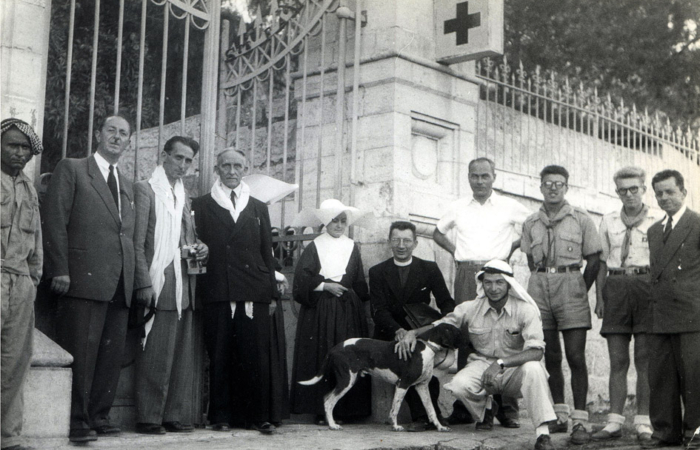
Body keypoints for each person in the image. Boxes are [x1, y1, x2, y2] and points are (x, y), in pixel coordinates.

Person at [42, 115, 136, 443]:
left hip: (118, 282)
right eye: (111, 130)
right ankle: (76, 420)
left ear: (129, 142)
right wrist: (60, 268)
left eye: (123, 133)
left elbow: (128, 236)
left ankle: (99, 415)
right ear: (98, 134)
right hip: (81, 278)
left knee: (109, 356)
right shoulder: (73, 168)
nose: (116, 137)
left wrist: (135, 282)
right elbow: (54, 219)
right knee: (80, 352)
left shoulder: (127, 184)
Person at [396, 260, 558, 450]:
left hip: (515, 368)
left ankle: (543, 434)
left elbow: (536, 352)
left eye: (499, 282)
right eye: (488, 282)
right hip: (482, 364)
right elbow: (442, 324)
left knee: (534, 368)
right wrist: (413, 333)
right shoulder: (471, 307)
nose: (493, 288)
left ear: (508, 284)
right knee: (458, 385)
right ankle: (487, 409)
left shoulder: (525, 310)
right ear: (482, 283)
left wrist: (500, 363)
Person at [433, 157, 530, 427]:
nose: (479, 181)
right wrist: (457, 253)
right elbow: (438, 233)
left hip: (498, 273)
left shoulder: (509, 206)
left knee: (507, 334)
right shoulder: (458, 207)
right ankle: (467, 407)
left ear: (494, 177)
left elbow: (533, 225)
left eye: (485, 176)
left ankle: (507, 409)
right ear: (468, 177)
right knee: (467, 335)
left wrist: (511, 248)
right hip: (467, 273)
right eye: (474, 176)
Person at [191, 148, 280, 435]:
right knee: (220, 353)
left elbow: (266, 251)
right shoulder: (202, 205)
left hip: (253, 288)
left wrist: (271, 294)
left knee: (254, 354)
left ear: (245, 169)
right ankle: (221, 415)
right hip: (218, 287)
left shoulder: (258, 207)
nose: (232, 171)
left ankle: (257, 415)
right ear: (217, 169)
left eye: (237, 166)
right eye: (226, 166)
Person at [520, 165, 602, 445]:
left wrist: (579, 287)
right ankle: (559, 415)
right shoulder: (530, 222)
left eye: (559, 184)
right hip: (539, 288)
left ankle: (580, 421)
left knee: (576, 357)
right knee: (550, 356)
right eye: (547, 184)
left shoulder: (581, 218)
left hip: (571, 287)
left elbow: (593, 260)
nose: (553, 188)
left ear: (566, 187)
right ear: (540, 187)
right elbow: (531, 261)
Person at [132, 136, 208, 434]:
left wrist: (201, 247)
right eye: (179, 158)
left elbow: (187, 237)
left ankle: (172, 415)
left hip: (185, 282)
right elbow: (138, 243)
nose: (184, 165)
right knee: (156, 352)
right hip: (159, 278)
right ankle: (149, 417)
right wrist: (142, 283)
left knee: (180, 354)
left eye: (189, 161)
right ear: (164, 156)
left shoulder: (184, 194)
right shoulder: (146, 190)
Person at [290, 199, 371, 425]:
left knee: (347, 355)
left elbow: (358, 280)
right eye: (334, 220)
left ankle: (347, 410)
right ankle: (321, 411)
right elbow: (302, 278)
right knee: (323, 353)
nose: (338, 225)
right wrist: (325, 285)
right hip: (321, 311)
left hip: (347, 311)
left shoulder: (352, 246)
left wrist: (363, 297)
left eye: (343, 221)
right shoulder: (314, 246)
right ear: (326, 222)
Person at [370, 221, 455, 430]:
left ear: (415, 243)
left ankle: (429, 415)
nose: (401, 245)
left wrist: (441, 325)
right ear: (389, 242)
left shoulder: (429, 268)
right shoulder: (377, 271)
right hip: (389, 332)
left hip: (420, 330)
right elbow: (378, 310)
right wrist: (398, 331)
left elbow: (446, 302)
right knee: (409, 362)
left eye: (407, 240)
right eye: (396, 240)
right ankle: (424, 417)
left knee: (423, 363)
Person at [592, 167, 656, 443]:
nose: (628, 194)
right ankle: (614, 421)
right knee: (618, 359)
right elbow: (602, 263)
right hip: (616, 288)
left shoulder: (657, 219)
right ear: (616, 191)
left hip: (646, 286)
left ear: (643, 189)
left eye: (634, 189)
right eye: (622, 190)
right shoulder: (608, 220)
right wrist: (600, 297)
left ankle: (644, 421)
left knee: (645, 359)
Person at [643, 170, 700, 449]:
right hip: (660, 313)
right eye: (659, 193)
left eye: (670, 192)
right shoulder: (654, 231)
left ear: (683, 192)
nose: (664, 198)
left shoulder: (697, 224)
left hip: (692, 313)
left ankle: (695, 433)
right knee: (661, 376)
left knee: (694, 376)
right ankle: (665, 432)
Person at [1, 119, 43, 450]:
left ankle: (8, 437)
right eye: (11, 145)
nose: (18, 152)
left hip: (20, 282)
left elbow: (36, 241)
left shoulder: (29, 189)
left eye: (24, 147)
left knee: (15, 360)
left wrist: (32, 280)